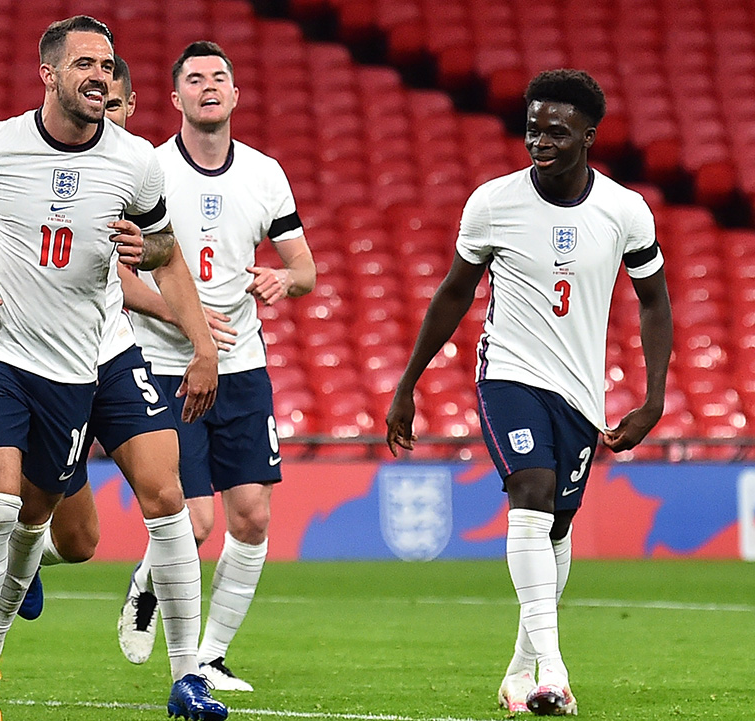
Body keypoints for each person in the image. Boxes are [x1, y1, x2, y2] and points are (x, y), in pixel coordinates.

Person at [0, 17, 226, 721]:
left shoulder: (135, 161)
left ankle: (188, 679)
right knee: (0, 510)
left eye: (109, 65)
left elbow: (164, 250)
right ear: (49, 73)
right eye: (85, 63)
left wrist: (202, 345)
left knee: (159, 499)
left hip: (90, 355)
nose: (100, 74)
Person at [385, 69, 672, 716]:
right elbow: (454, 292)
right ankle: (555, 671)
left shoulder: (625, 210)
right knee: (531, 492)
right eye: (533, 127)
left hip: (580, 393)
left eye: (556, 130)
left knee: (556, 524)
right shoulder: (493, 202)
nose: (539, 140)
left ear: (589, 136)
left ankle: (519, 672)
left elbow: (654, 300)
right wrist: (409, 382)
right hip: (509, 374)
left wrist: (654, 398)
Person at [118, 41, 317, 692]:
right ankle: (148, 583)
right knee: (196, 521)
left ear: (235, 95)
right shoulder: (146, 169)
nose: (210, 86)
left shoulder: (265, 174)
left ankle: (212, 654)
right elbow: (116, 270)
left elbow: (306, 268)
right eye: (195, 79)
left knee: (254, 515)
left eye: (220, 77)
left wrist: (283, 280)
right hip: (163, 360)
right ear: (175, 99)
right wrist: (182, 318)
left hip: (243, 362)